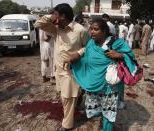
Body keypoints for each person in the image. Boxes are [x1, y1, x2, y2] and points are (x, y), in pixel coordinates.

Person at [66, 18, 136, 131]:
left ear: (104, 31)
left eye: (96, 29)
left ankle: (107, 128)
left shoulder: (116, 42)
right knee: (97, 109)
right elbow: (86, 58)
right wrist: (77, 57)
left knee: (108, 111)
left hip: (109, 86)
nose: (92, 32)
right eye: (91, 29)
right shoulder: (90, 43)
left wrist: (119, 55)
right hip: (94, 84)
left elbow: (131, 55)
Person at [35, 3, 89, 131]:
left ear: (63, 16)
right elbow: (37, 24)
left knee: (67, 98)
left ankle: (67, 125)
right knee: (64, 94)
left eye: (56, 14)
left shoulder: (80, 30)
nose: (53, 16)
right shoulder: (56, 28)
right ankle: (79, 95)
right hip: (58, 69)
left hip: (72, 70)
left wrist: (78, 53)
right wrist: (51, 16)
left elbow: (89, 47)